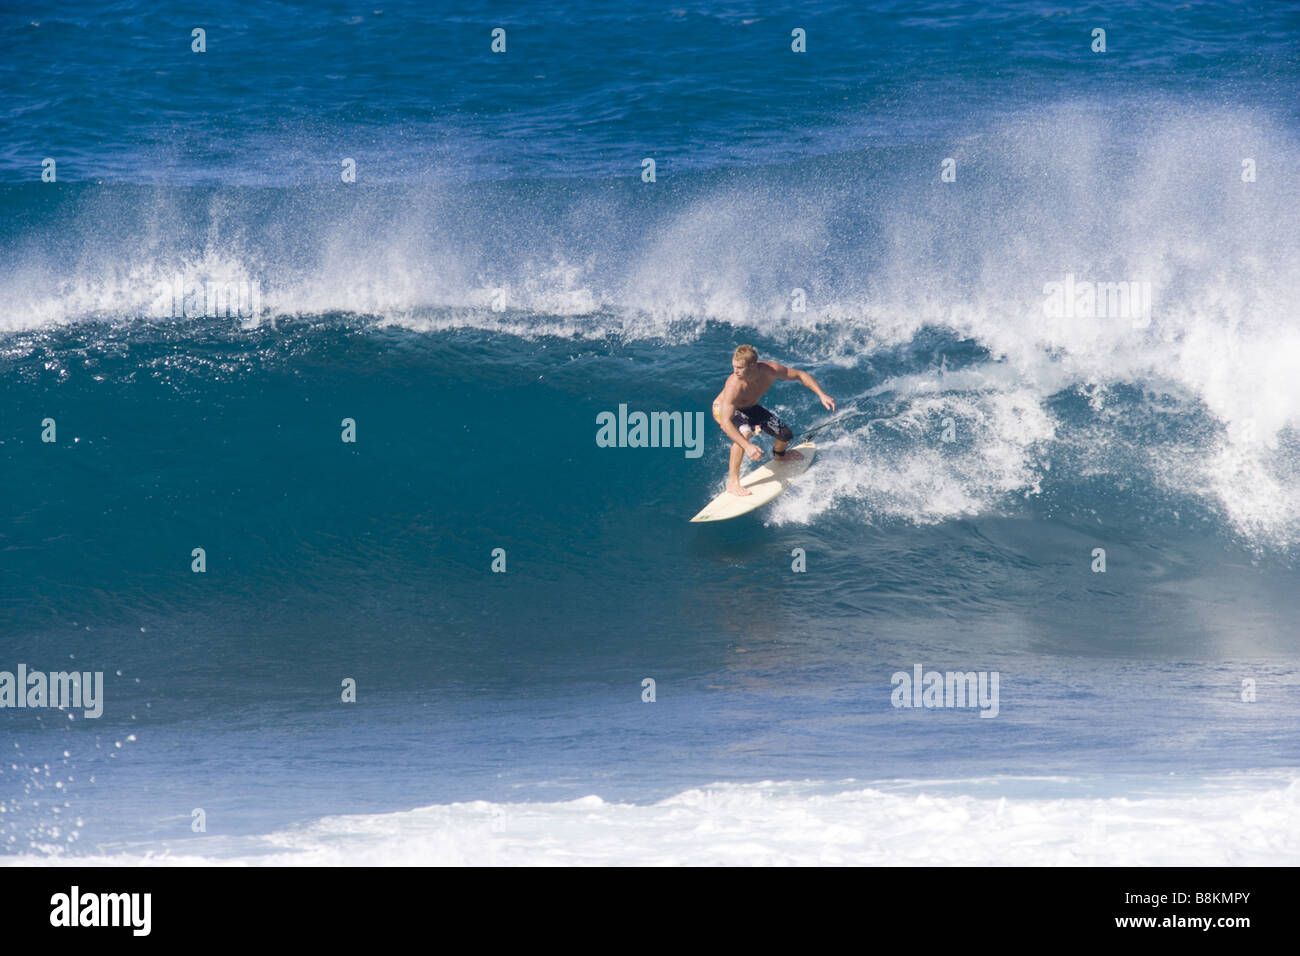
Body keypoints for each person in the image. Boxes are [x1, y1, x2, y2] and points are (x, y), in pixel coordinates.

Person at [711, 344, 835, 496]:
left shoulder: (770, 370)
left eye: (739, 367)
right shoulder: (734, 385)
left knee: (785, 435)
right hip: (722, 409)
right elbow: (725, 423)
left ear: (752, 365)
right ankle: (733, 482)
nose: (735, 371)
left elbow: (799, 375)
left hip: (750, 408)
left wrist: (822, 395)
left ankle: (779, 455)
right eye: (733, 366)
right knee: (745, 433)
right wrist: (748, 446)